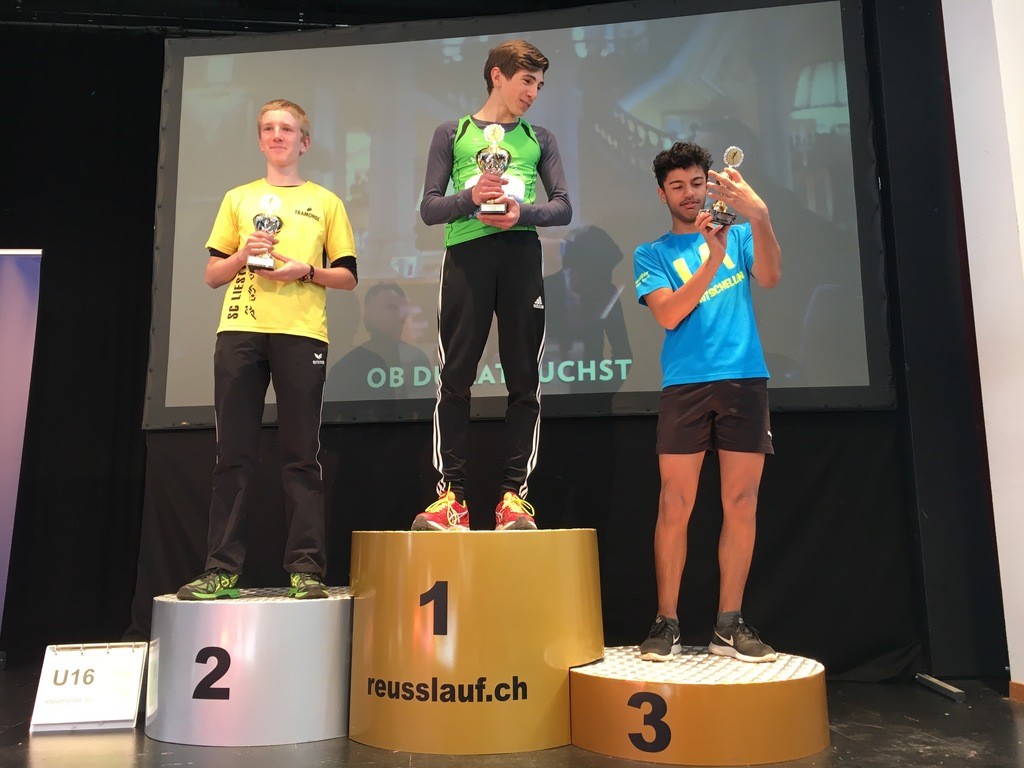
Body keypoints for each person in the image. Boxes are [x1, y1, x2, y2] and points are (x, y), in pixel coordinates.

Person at [176, 98, 358, 600]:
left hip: (302, 333)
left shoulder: (326, 201)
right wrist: (243, 253)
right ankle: (221, 569)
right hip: (240, 330)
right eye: (269, 129)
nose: (278, 136)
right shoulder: (238, 198)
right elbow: (212, 275)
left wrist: (306, 271)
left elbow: (347, 276)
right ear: (260, 141)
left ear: (305, 141)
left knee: (301, 455)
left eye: (287, 129)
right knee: (233, 454)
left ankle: (306, 569)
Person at [412, 39, 572, 532]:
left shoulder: (540, 137)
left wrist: (522, 213)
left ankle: (513, 499)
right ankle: (451, 499)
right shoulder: (453, 132)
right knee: (455, 377)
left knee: (524, 379)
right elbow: (430, 207)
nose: (533, 93)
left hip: (521, 258)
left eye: (540, 85)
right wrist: (470, 197)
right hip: (467, 258)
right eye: (527, 81)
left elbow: (563, 207)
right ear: (497, 75)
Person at [633, 141, 781, 662]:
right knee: (675, 504)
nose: (690, 194)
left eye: (697, 183)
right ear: (663, 194)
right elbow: (669, 314)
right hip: (686, 385)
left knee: (741, 503)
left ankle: (728, 624)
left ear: (709, 183)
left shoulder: (739, 234)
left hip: (744, 379)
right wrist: (711, 256)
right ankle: (666, 622)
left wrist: (759, 216)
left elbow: (770, 277)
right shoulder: (652, 253)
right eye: (677, 186)